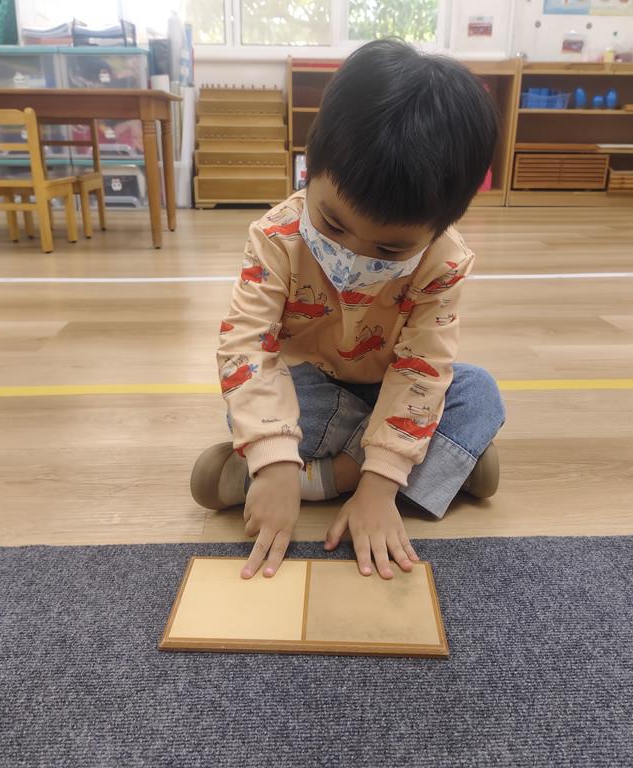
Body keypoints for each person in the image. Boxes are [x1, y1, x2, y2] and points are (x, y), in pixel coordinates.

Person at [191, 38, 505, 582]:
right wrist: (273, 456)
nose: (354, 253)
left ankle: (328, 479)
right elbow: (246, 346)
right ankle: (438, 465)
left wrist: (377, 488)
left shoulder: (444, 261)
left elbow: (422, 369)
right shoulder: (275, 237)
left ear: (439, 227)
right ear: (309, 169)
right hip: (312, 387)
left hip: (389, 385)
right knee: (256, 404)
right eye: (333, 224)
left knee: (477, 392)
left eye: (389, 249)